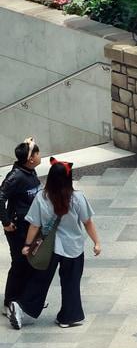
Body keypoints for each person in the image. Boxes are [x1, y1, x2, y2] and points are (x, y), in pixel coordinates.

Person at [13, 158, 99, 330]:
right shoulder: (77, 198)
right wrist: (97, 242)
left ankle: (21, 306)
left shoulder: (41, 198)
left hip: (48, 247)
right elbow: (87, 222)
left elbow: (34, 225)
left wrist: (28, 245)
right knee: (71, 282)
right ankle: (67, 317)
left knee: (40, 280)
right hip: (72, 247)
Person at [2, 138, 42, 315]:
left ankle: (21, 299)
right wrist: (5, 221)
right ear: (31, 159)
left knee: (28, 262)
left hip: (30, 225)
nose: (40, 156)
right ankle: (9, 301)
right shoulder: (16, 176)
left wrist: (28, 142)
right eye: (37, 153)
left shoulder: (28, 169)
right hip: (17, 227)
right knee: (19, 263)